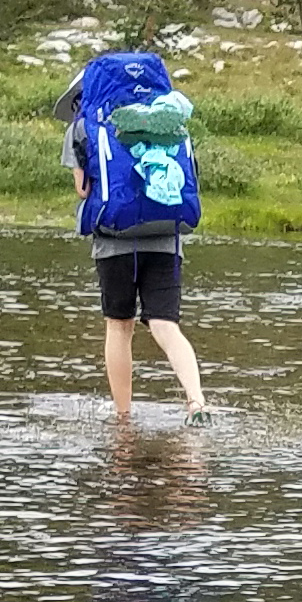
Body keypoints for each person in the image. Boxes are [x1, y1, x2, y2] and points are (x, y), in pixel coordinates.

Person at [62, 63, 210, 425]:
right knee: (165, 324)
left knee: (119, 325)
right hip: (165, 237)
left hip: (114, 240)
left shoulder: (81, 128)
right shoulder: (167, 119)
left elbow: (83, 189)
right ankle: (197, 402)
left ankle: (123, 417)